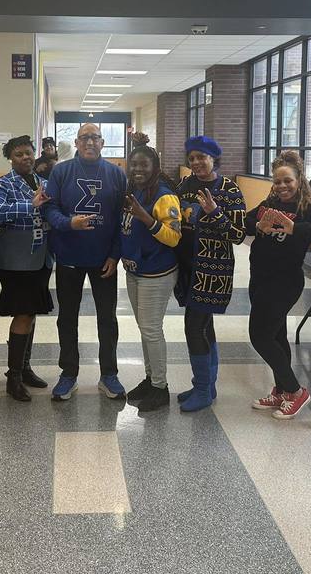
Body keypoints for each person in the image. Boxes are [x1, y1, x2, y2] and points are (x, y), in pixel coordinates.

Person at [245, 151, 311, 420]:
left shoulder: (308, 209)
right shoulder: (269, 204)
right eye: (277, 181)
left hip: (283, 282)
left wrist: (294, 229)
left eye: (287, 180)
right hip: (259, 278)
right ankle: (281, 391)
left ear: (299, 180)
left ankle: (295, 391)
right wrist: (258, 224)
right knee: (275, 336)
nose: (282, 186)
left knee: (260, 336)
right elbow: (245, 223)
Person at [43, 122, 128, 401]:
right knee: (67, 318)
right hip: (69, 256)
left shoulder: (116, 174)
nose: (90, 142)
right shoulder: (61, 172)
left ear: (102, 142)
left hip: (104, 260)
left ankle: (109, 374)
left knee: (107, 319)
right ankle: (68, 374)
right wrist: (68, 223)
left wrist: (115, 254)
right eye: (84, 138)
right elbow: (49, 208)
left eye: (95, 137)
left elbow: (122, 218)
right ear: (76, 143)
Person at [174, 135, 246, 413]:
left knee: (194, 327)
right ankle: (207, 384)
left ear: (214, 159)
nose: (196, 162)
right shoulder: (184, 186)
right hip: (186, 268)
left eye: (201, 157)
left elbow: (238, 235)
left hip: (212, 270)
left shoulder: (229, 190)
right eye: (192, 158)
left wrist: (215, 212)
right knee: (204, 326)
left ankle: (203, 388)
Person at [0, 135, 54, 402]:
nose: (25, 157)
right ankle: (13, 377)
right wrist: (30, 205)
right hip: (15, 258)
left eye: (28, 153)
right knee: (23, 312)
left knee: (32, 312)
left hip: (41, 256)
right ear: (10, 159)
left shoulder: (43, 182)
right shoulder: (4, 183)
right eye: (19, 154)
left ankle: (24, 368)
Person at [120, 134, 182, 412]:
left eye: (144, 165)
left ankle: (160, 387)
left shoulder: (163, 195)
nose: (138, 169)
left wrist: (145, 217)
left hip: (156, 272)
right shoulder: (132, 191)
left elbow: (173, 238)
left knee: (151, 330)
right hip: (135, 270)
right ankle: (150, 378)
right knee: (145, 329)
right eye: (134, 164)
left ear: (155, 167)